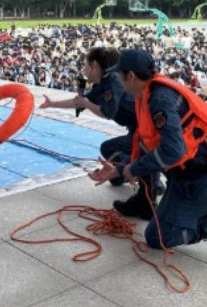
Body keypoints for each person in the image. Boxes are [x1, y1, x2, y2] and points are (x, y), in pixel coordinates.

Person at [89, 49, 207, 257]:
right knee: (158, 227)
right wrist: (120, 170)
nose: (117, 80)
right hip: (182, 177)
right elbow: (148, 147)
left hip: (205, 182)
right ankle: (150, 202)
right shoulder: (145, 94)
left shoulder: (160, 100)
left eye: (119, 75)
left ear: (130, 76)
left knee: (157, 238)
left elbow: (173, 150)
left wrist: (132, 168)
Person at [39, 47, 152, 211]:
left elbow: (107, 112)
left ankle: (148, 181)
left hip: (144, 129)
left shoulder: (113, 80)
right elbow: (79, 102)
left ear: (94, 65)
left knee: (109, 148)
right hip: (134, 128)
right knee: (115, 179)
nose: (83, 70)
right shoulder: (102, 84)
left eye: (85, 65)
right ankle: (132, 172)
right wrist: (52, 104)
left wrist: (87, 104)